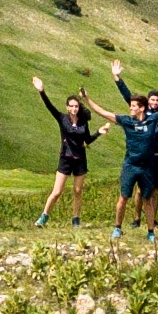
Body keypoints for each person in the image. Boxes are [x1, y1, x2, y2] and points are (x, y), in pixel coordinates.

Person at [109, 62, 158, 237]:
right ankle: (136, 218)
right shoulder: (142, 114)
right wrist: (117, 78)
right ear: (147, 102)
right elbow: (128, 96)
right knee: (138, 191)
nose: (155, 102)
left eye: (157, 100)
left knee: (154, 190)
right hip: (141, 158)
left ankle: (153, 220)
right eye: (152, 100)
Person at [31, 75, 101, 226]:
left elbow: (88, 140)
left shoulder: (83, 122)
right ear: (67, 107)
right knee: (57, 192)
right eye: (71, 106)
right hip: (65, 158)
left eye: (76, 106)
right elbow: (49, 106)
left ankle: (76, 219)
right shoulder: (62, 118)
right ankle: (44, 217)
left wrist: (99, 133)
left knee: (78, 191)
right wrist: (41, 91)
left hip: (80, 160)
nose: (74, 109)